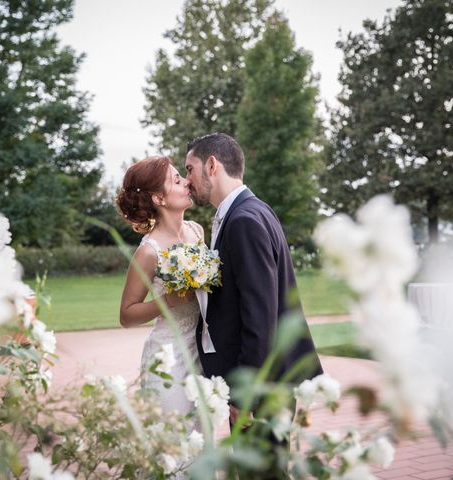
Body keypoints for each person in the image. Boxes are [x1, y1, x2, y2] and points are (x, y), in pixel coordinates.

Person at [185, 133, 323, 461]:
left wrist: (245, 397)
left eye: (189, 169)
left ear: (212, 165)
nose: (187, 180)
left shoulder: (244, 220)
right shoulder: (252, 211)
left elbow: (260, 317)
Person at [116, 156, 203, 420]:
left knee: (201, 442)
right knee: (173, 444)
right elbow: (127, 315)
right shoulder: (148, 252)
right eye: (177, 179)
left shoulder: (197, 232)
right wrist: (168, 301)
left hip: (202, 353)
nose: (187, 181)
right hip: (169, 357)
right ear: (159, 199)